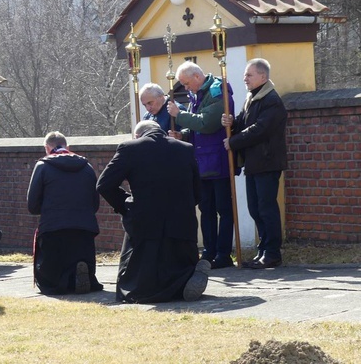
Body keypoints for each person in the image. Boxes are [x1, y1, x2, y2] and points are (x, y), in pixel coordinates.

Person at [97, 120, 210, 303]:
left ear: (137, 136)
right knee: (180, 263)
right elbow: (197, 192)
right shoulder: (185, 148)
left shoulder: (129, 148)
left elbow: (104, 185)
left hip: (145, 222)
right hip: (181, 224)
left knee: (138, 275)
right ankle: (184, 283)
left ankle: (140, 291)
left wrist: (126, 205)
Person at [167, 61, 236, 269]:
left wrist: (180, 116)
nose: (186, 88)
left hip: (218, 160)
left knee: (224, 209)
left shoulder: (217, 91)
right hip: (202, 161)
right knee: (206, 209)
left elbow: (208, 124)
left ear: (197, 77)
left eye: (187, 84)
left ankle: (223, 253)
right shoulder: (196, 94)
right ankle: (209, 250)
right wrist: (183, 134)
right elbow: (197, 129)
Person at [222, 58, 288, 269]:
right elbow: (243, 122)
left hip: (267, 161)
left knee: (266, 208)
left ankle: (272, 253)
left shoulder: (271, 101)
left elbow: (260, 129)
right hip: (254, 162)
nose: (245, 79)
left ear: (263, 77)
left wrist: (233, 141)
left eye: (249, 75)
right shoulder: (252, 98)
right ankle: (263, 250)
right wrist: (231, 123)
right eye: (245, 75)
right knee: (254, 208)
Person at [27, 131, 103, 295]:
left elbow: (32, 204)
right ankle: (81, 273)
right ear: (68, 147)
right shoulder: (87, 167)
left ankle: (59, 282)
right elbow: (95, 202)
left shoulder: (43, 166)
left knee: (51, 273)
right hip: (84, 226)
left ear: (47, 148)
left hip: (54, 226)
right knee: (79, 255)